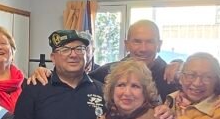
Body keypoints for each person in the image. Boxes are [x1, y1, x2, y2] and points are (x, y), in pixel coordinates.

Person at [29, 20, 179, 95]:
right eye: (137, 41)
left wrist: (180, 64)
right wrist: (47, 73)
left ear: (159, 45)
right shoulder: (107, 72)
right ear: (126, 44)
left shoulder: (172, 76)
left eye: (150, 42)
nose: (143, 48)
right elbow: (72, 79)